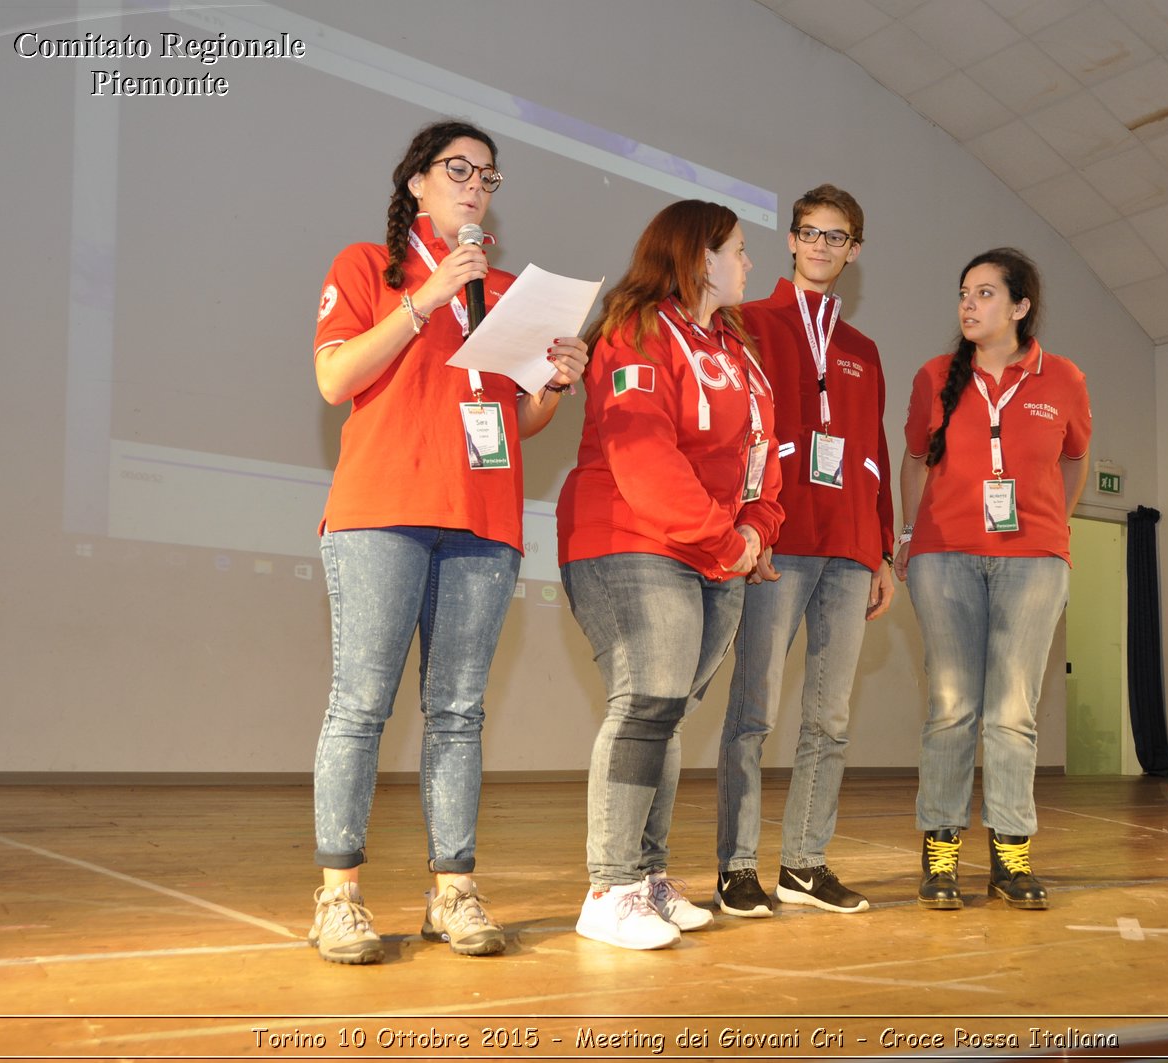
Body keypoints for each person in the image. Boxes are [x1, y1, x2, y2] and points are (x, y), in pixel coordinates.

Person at [307, 120, 588, 964]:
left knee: (459, 713)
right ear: (417, 183)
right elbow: (334, 379)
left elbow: (517, 420)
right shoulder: (369, 265)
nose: (475, 184)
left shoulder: (507, 289)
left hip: (484, 518)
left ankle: (453, 891)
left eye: (489, 176)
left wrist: (556, 382)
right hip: (382, 512)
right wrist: (423, 301)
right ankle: (339, 897)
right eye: (458, 169)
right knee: (360, 706)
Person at [558, 200, 783, 950]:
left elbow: (763, 461)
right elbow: (644, 457)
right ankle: (610, 887)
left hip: (712, 550)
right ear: (698, 257)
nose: (752, 263)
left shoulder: (737, 348)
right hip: (630, 538)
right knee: (647, 699)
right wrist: (728, 540)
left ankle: (647, 878)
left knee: (669, 709)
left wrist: (756, 529)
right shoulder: (638, 330)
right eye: (740, 250)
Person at [714, 184, 893, 918]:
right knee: (753, 710)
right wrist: (742, 528)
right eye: (809, 233)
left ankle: (805, 863)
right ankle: (736, 867)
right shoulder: (749, 322)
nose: (821, 246)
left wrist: (881, 546)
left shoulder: (862, 350)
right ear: (790, 240)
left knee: (831, 717)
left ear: (855, 250)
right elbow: (736, 435)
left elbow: (876, 455)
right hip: (780, 541)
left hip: (850, 549)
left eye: (837, 236)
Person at [893, 248, 1090, 912]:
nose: (968, 305)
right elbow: (915, 461)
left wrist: (1050, 530)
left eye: (983, 293)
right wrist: (912, 535)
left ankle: (1010, 853)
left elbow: (1074, 461)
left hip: (1035, 561)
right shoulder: (931, 377)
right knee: (952, 708)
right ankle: (941, 849)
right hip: (944, 558)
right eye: (963, 294)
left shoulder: (1063, 378)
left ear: (1020, 306)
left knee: (1014, 712)